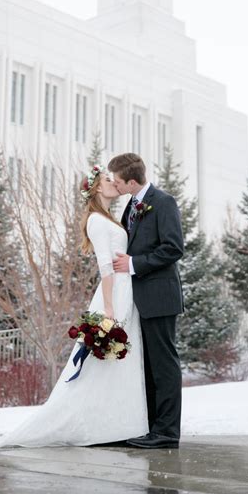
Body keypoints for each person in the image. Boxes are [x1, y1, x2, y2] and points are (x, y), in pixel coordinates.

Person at [0, 165, 148, 449]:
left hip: (126, 289)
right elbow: (104, 267)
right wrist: (109, 309)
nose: (114, 183)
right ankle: (90, 423)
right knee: (103, 362)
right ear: (97, 187)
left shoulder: (110, 217)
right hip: (114, 294)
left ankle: (120, 422)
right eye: (108, 180)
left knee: (121, 363)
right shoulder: (96, 221)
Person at [108, 153, 184, 450]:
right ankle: (153, 428)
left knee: (164, 366)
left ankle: (167, 432)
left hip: (160, 296)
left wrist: (134, 263)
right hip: (138, 297)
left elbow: (173, 248)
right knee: (149, 366)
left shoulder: (163, 202)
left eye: (116, 180)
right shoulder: (131, 204)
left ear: (131, 181)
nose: (113, 184)